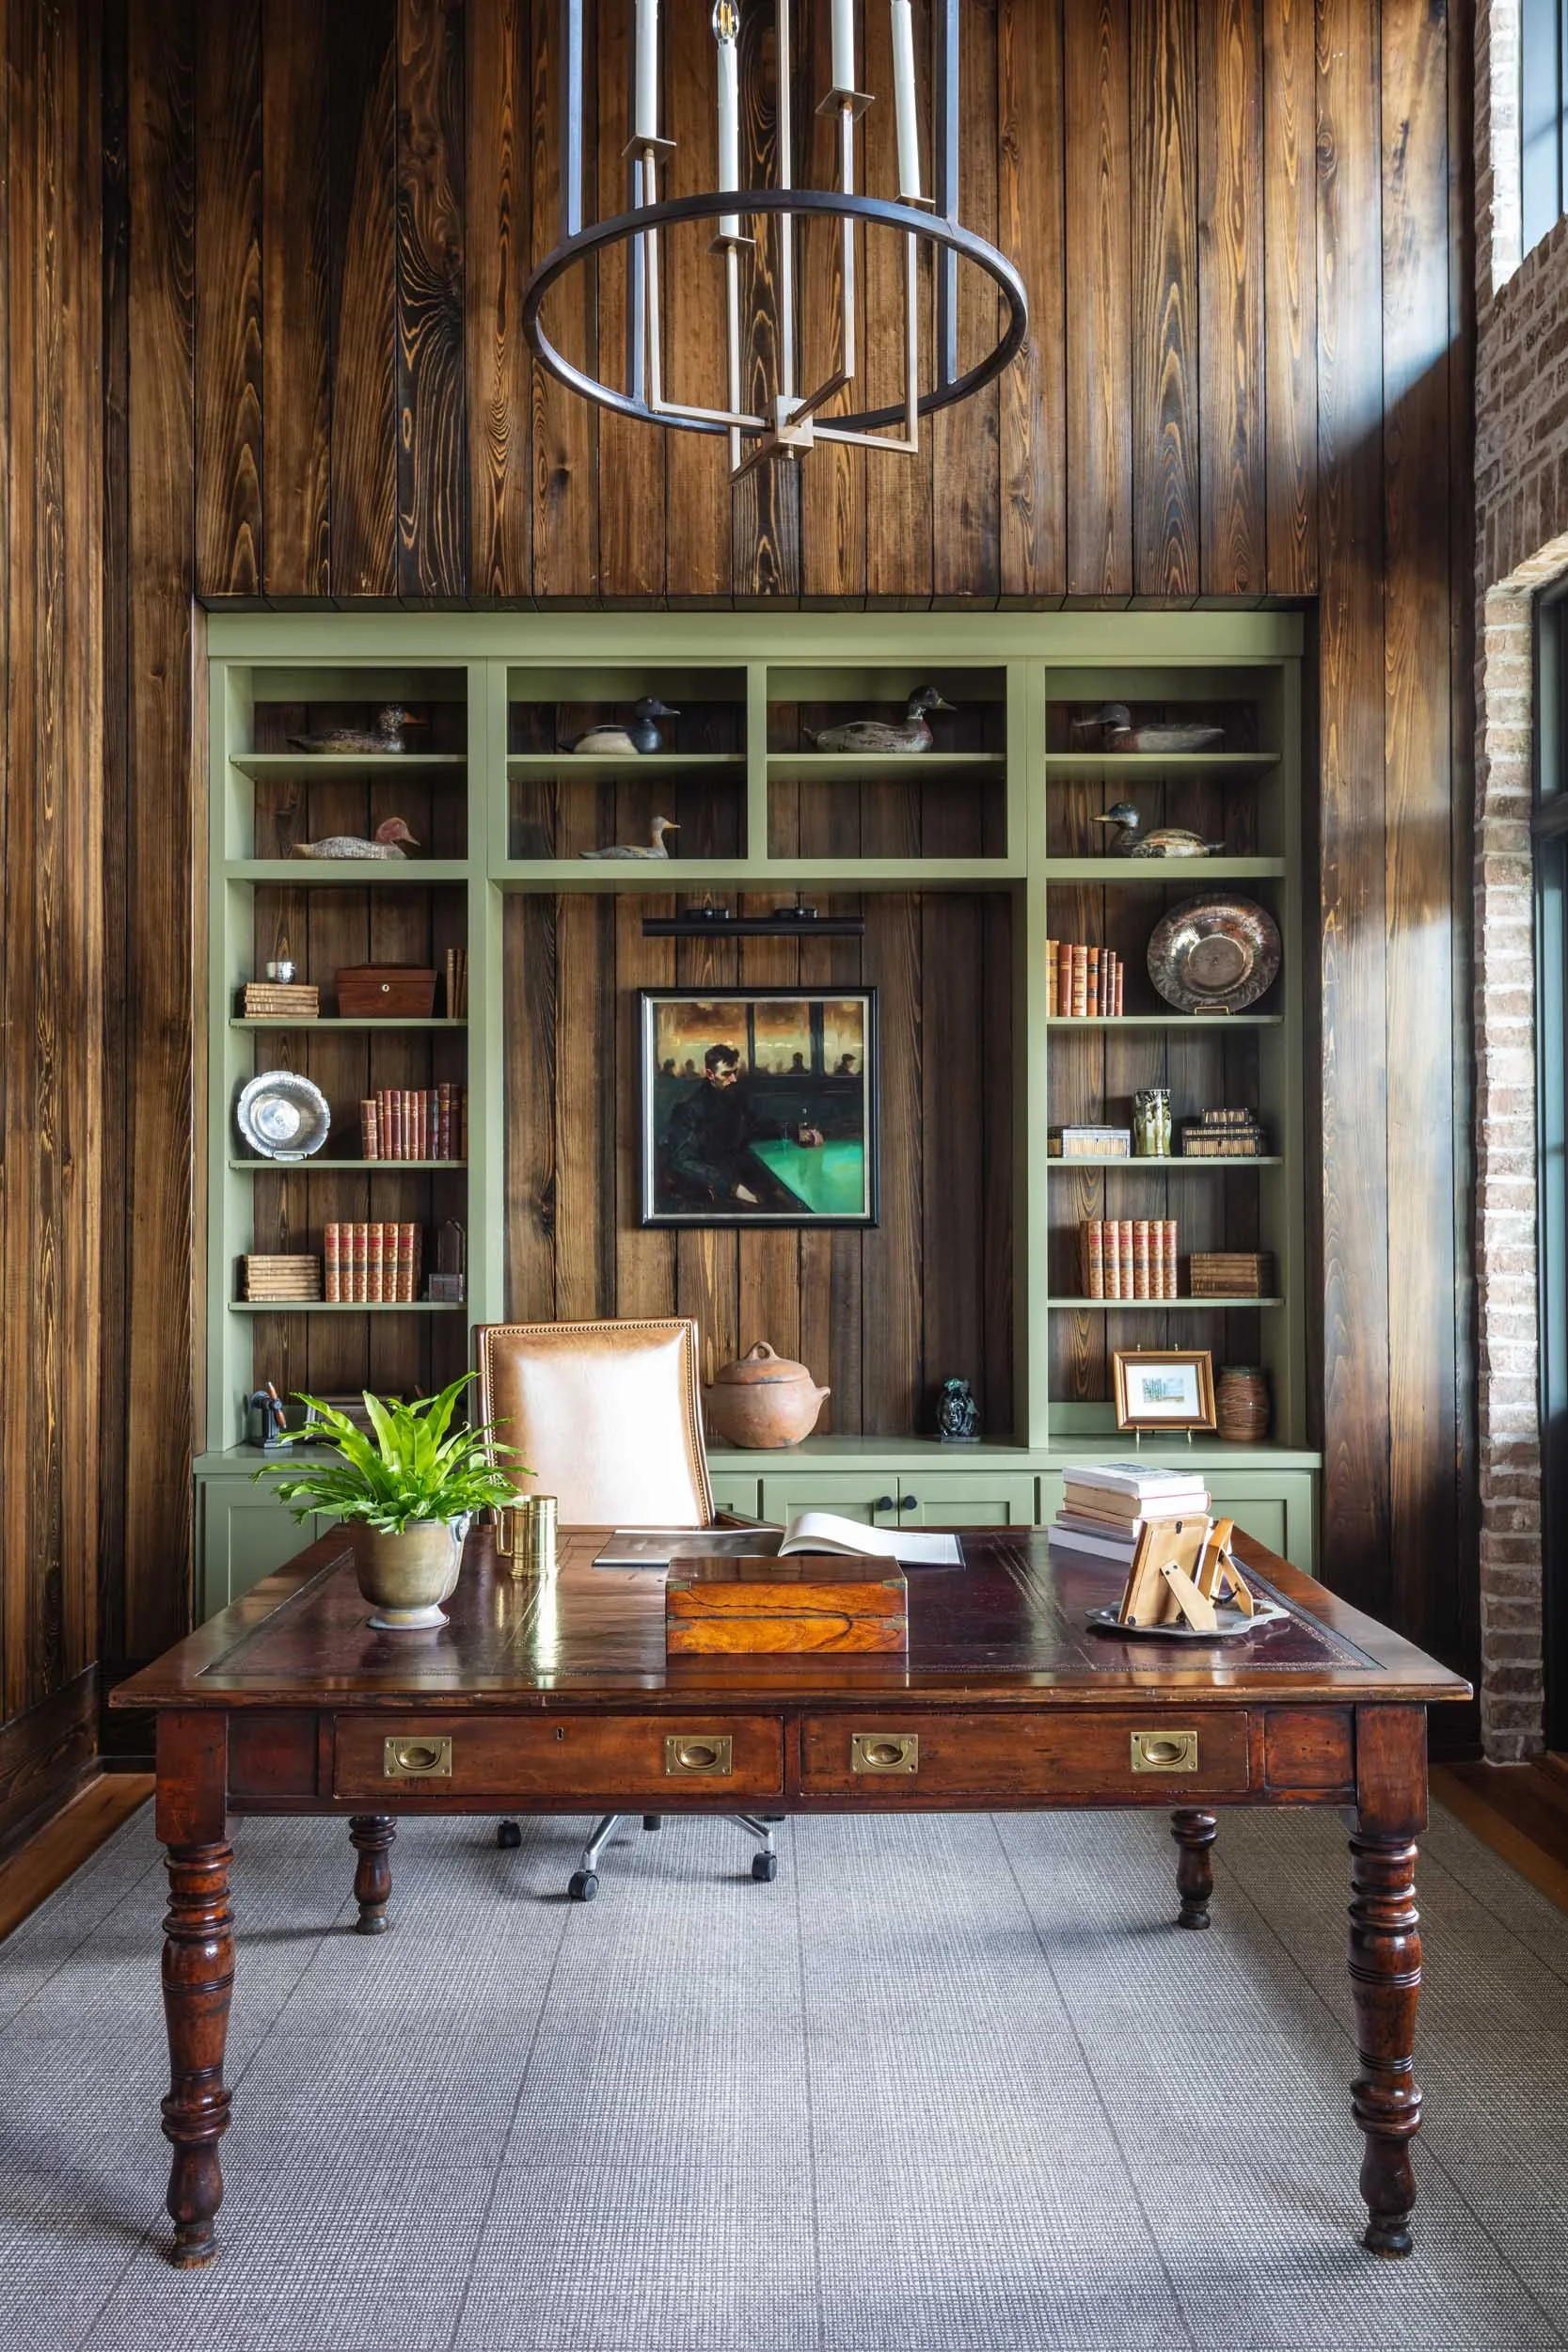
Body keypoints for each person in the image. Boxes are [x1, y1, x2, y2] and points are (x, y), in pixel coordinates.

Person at [663, 1042, 822, 1207]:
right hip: (710, 1189)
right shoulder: (689, 1110)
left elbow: (755, 1126)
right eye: (726, 1074)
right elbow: (683, 1161)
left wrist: (795, 1131)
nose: (734, 1079)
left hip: (742, 1173)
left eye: (735, 1072)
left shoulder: (735, 1099)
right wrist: (731, 1187)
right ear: (710, 1074)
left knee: (787, 1199)